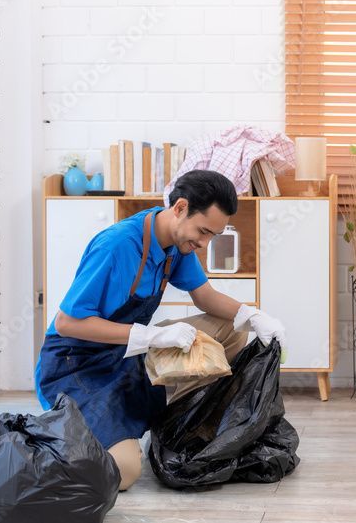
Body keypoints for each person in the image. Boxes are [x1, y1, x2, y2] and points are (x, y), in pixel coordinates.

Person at [34, 169, 286, 489]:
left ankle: (182, 425)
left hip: (126, 356)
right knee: (125, 473)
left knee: (232, 328)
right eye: (203, 231)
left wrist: (255, 316)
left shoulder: (176, 246)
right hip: (76, 366)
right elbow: (67, 323)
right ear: (180, 208)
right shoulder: (117, 246)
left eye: (213, 236)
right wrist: (149, 336)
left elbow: (205, 297)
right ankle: (61, 429)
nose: (204, 244)